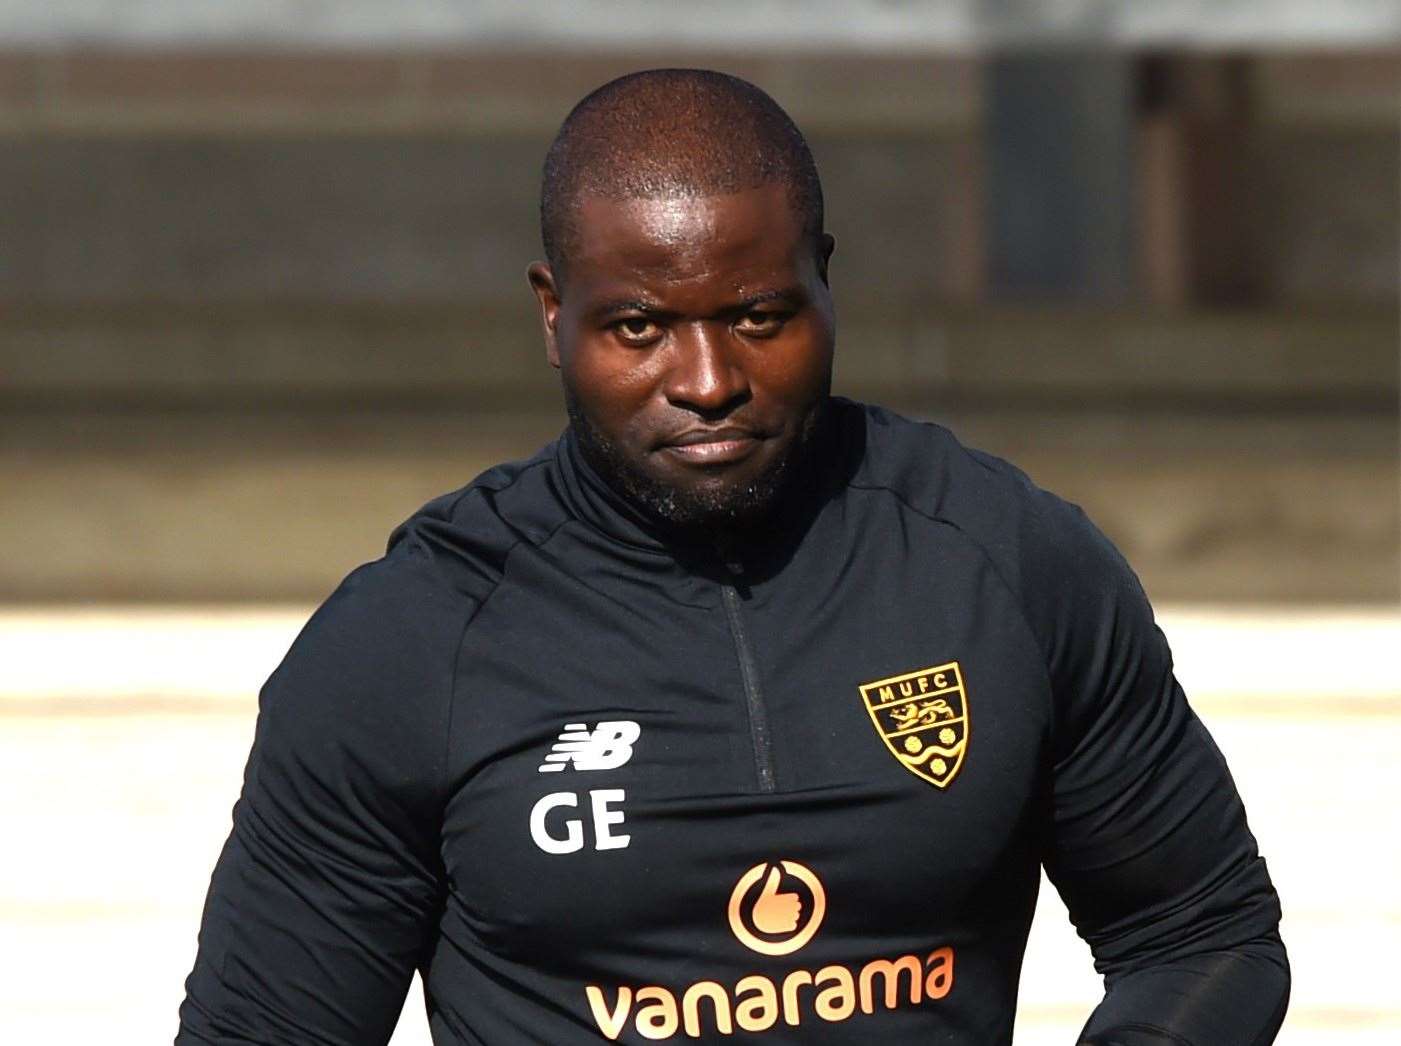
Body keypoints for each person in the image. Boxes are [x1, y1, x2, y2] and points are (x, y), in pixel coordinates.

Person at [177, 69, 1289, 1045]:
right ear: (552, 312)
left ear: (825, 280)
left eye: (760, 315)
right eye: (638, 326)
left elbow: (1201, 932)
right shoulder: (408, 642)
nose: (707, 377)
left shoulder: (1005, 563)